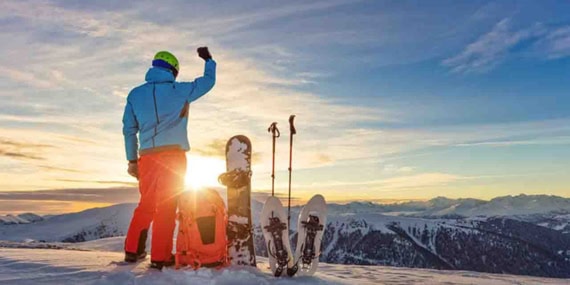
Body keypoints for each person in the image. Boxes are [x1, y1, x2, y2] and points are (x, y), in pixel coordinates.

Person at [122, 47, 216, 269]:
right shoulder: (180, 90)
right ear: (173, 71)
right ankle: (160, 257)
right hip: (173, 157)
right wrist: (209, 60)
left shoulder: (135, 94)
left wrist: (132, 161)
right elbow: (208, 82)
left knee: (145, 204)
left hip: (146, 158)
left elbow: (129, 130)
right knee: (166, 206)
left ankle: (132, 251)